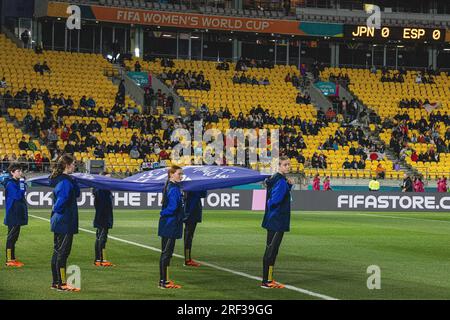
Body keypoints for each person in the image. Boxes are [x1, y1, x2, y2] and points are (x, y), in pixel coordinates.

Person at [49, 154, 81, 292]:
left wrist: (75, 182)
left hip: (60, 221)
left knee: (57, 252)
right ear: (67, 165)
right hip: (65, 221)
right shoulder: (65, 182)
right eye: (73, 163)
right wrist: (57, 210)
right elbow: (60, 202)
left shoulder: (65, 180)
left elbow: (77, 194)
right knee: (62, 253)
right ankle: (61, 284)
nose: (75, 166)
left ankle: (56, 282)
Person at [261, 156, 293, 289]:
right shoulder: (280, 181)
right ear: (279, 166)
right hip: (277, 220)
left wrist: (289, 186)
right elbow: (275, 200)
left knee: (270, 249)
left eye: (289, 164)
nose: (288, 167)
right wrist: (286, 186)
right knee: (272, 251)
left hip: (272, 219)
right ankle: (267, 281)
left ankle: (267, 279)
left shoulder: (276, 179)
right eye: (285, 165)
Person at [158, 165, 184, 289]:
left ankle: (165, 280)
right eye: (179, 174)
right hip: (170, 224)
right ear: (171, 174)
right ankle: (164, 282)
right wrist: (163, 213)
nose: (181, 176)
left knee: (166, 253)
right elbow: (173, 207)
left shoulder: (170, 186)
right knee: (166, 253)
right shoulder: (173, 188)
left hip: (168, 224)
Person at [2, 163, 28, 267]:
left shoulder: (17, 182)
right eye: (18, 171)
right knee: (11, 237)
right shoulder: (10, 184)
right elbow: (17, 196)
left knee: (14, 238)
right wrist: (22, 185)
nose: (20, 173)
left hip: (17, 214)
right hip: (13, 214)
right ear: (12, 172)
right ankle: (9, 260)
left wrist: (22, 184)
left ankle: (12, 258)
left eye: (21, 171)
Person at [92, 172, 114, 267]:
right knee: (102, 238)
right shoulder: (102, 190)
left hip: (102, 216)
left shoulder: (101, 189)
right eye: (107, 178)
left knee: (99, 238)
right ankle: (102, 260)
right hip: (103, 217)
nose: (109, 180)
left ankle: (98, 259)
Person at [183, 191, 207, 267]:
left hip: (189, 213)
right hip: (192, 213)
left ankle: (187, 259)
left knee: (188, 236)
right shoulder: (194, 188)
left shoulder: (190, 188)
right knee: (188, 237)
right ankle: (187, 260)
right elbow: (203, 194)